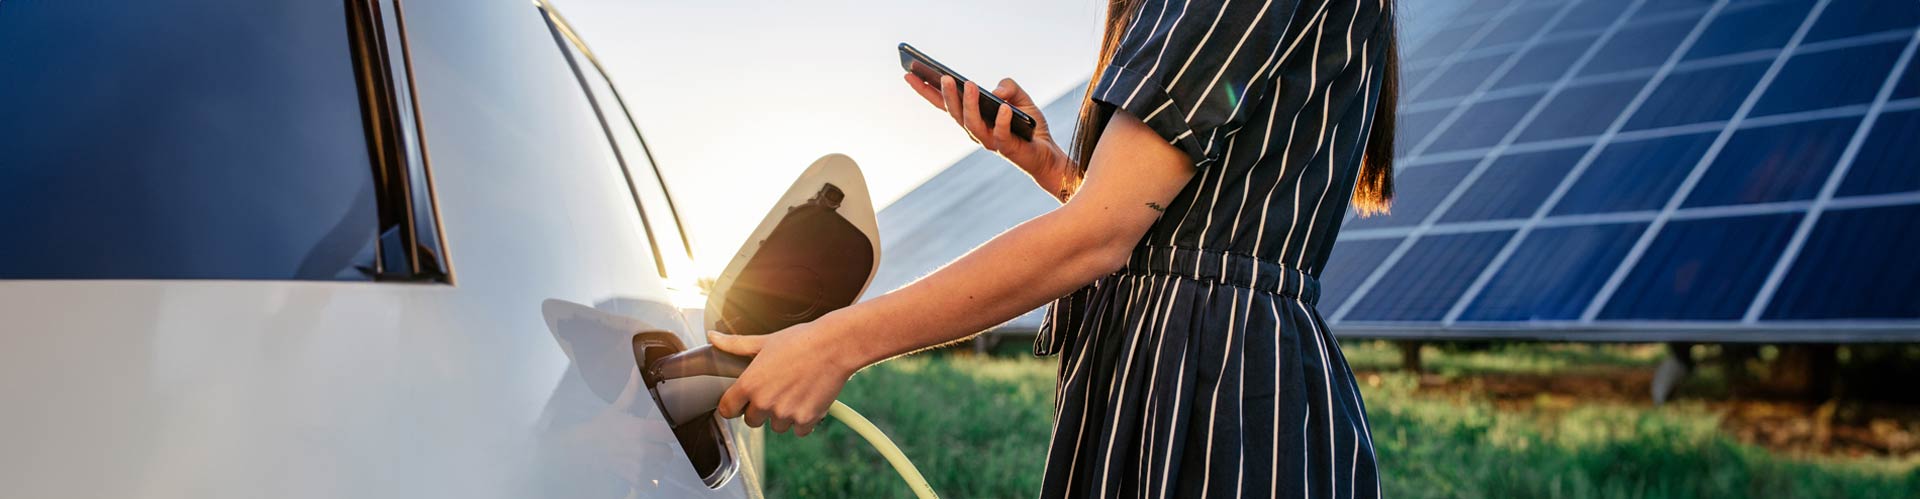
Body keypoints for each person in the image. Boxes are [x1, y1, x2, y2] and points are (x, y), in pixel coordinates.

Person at [710, 0, 1397, 495]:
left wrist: (836, 343)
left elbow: (1101, 237)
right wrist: (1055, 169)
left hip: (1211, 386)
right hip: (1224, 369)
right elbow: (1174, 223)